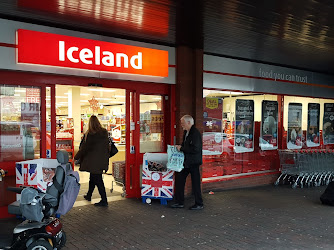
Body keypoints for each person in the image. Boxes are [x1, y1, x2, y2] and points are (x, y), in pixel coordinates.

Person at [74, 115, 109, 207]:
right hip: (102, 160)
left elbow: (84, 148)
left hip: (93, 161)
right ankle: (89, 195)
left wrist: (76, 157)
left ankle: (104, 200)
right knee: (93, 178)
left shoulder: (90, 134)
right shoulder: (104, 132)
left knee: (98, 180)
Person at [171, 115, 204, 210]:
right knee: (180, 180)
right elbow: (185, 145)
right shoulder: (186, 132)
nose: (182, 125)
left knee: (196, 183)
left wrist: (182, 148)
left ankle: (199, 203)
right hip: (186, 161)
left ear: (189, 122)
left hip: (193, 162)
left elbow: (195, 148)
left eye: (183, 123)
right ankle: (179, 202)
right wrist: (180, 146)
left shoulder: (195, 133)